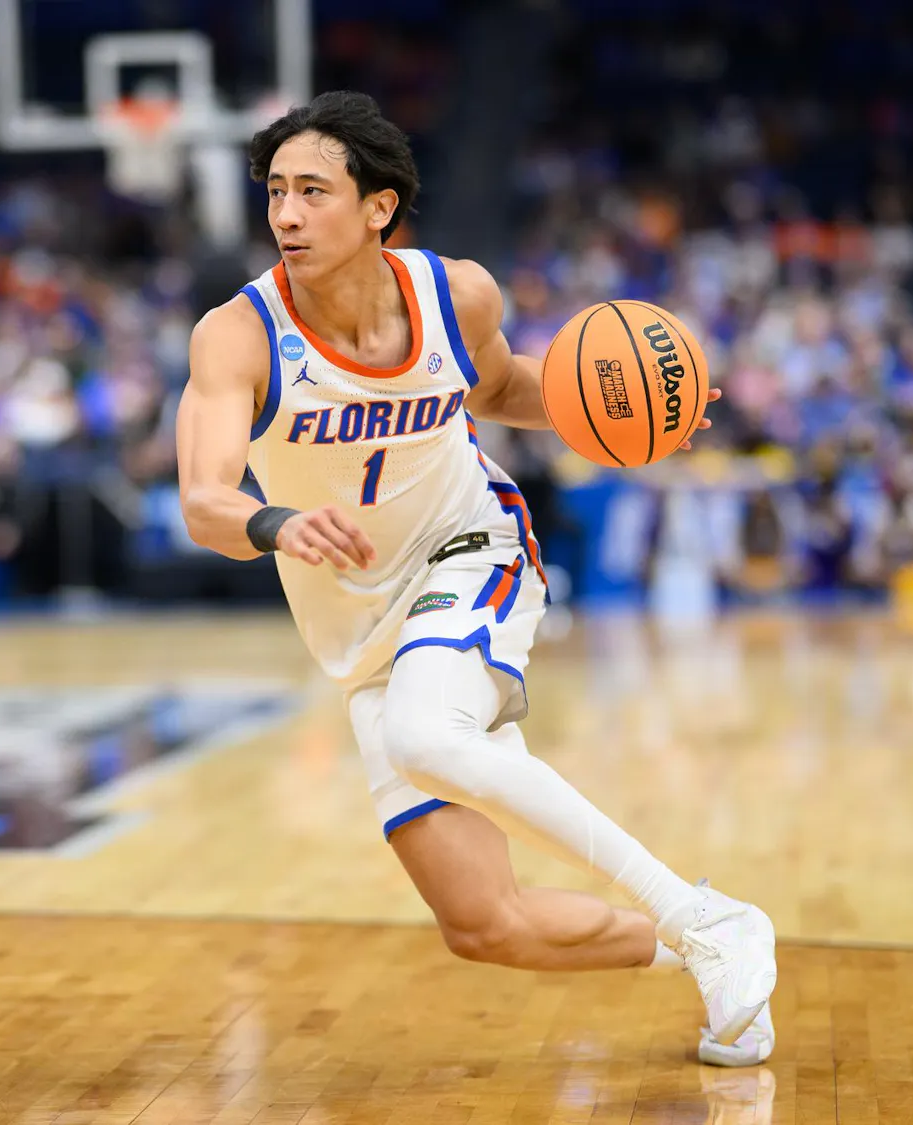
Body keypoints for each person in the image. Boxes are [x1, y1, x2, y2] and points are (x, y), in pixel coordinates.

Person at [176, 91, 777, 1065]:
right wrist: (277, 522)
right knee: (485, 924)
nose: (286, 214)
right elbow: (204, 503)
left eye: (313, 192)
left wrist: (634, 412)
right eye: (278, 192)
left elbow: (502, 389)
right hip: (360, 629)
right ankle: (708, 953)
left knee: (427, 734)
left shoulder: (457, 298)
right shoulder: (238, 336)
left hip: (473, 548)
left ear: (379, 208)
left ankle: (702, 913)